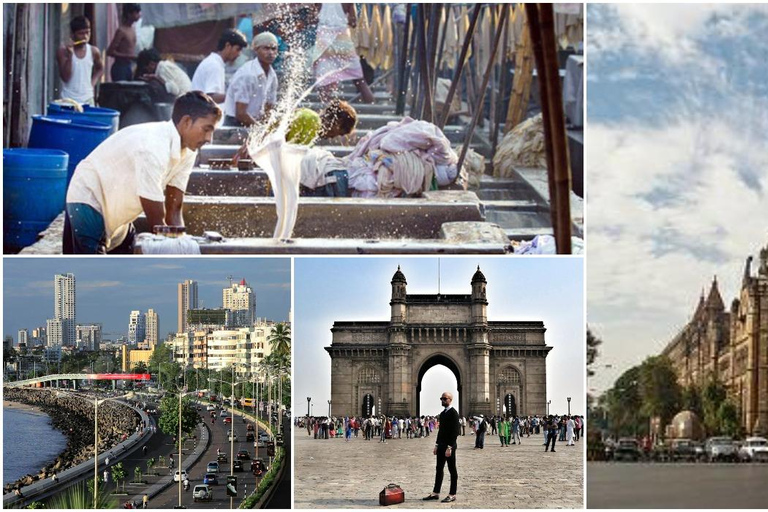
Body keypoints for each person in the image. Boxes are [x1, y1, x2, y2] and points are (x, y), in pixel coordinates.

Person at [64, 91, 221, 254]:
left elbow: (174, 208)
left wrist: (181, 244)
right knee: (89, 273)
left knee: (122, 270)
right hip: (89, 198)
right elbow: (157, 222)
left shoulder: (189, 150)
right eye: (206, 129)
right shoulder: (153, 147)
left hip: (117, 213)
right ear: (186, 121)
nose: (209, 138)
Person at [310, 3, 374, 103]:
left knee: (324, 81)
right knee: (358, 79)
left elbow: (312, 18)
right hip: (342, 37)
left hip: (323, 38)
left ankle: (327, 111)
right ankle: (371, 106)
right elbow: (353, 22)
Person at [223, 32, 279, 127]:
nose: (270, 53)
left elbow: (269, 108)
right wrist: (260, 130)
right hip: (235, 124)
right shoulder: (248, 74)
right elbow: (240, 114)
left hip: (253, 122)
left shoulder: (272, 76)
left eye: (273, 49)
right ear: (256, 50)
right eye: (266, 48)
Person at [57, 15, 104, 105]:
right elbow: (65, 77)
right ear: (72, 35)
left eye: (88, 33)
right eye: (81, 33)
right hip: (68, 101)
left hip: (87, 100)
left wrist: (92, 83)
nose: (85, 37)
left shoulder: (93, 51)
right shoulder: (63, 51)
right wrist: (70, 56)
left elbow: (100, 69)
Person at [191, 29, 248, 103]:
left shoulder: (216, 63)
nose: (239, 54)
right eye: (238, 49)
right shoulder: (214, 65)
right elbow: (210, 97)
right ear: (228, 46)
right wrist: (236, 95)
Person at [423, 392, 459, 503]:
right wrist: (437, 445)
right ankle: (435, 493)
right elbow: (441, 431)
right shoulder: (443, 414)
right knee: (439, 469)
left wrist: (450, 447)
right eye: (441, 398)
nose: (442, 400)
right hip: (441, 445)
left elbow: (455, 432)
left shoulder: (454, 413)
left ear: (450, 400)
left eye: (445, 398)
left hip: (449, 446)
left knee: (452, 470)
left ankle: (452, 494)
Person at [107, 3, 142, 81]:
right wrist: (129, 56)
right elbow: (110, 52)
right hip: (120, 67)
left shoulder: (133, 29)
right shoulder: (121, 31)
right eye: (136, 12)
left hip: (129, 66)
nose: (138, 15)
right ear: (129, 14)